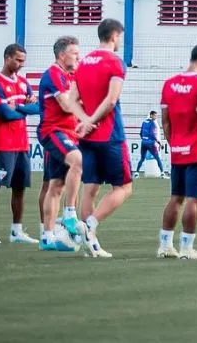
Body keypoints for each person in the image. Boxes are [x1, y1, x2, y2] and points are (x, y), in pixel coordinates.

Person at [74, 18, 134, 258]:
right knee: (124, 187)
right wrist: (92, 120)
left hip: (87, 136)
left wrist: (85, 120)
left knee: (90, 188)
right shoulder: (115, 62)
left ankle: (90, 245)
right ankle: (90, 225)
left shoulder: (83, 62)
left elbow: (71, 100)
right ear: (115, 36)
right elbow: (111, 100)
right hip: (109, 134)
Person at [157, 45, 197, 260]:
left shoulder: (169, 84)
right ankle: (186, 247)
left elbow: (165, 121)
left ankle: (165, 245)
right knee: (193, 200)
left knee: (176, 198)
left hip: (178, 148)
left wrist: (173, 144)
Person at [0, 43, 39, 245]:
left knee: (20, 188)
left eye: (23, 60)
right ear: (7, 58)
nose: (21, 64)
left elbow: (38, 108)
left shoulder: (23, 83)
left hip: (22, 143)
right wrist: (23, 109)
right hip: (2, 143)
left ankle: (17, 231)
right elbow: (5, 114)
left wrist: (19, 107)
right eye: (18, 60)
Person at [38, 36, 91, 252]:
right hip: (53, 132)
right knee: (78, 161)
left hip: (69, 133)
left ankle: (47, 237)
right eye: (74, 53)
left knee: (56, 185)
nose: (79, 57)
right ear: (61, 55)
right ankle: (69, 214)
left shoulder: (71, 76)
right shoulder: (54, 73)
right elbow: (67, 106)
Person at [136, 111, 167, 179]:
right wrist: (159, 143)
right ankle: (162, 174)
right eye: (155, 115)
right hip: (150, 144)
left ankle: (136, 173)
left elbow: (140, 133)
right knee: (157, 158)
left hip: (143, 143)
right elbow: (152, 134)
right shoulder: (153, 123)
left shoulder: (144, 122)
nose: (156, 117)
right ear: (151, 115)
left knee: (142, 158)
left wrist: (144, 139)